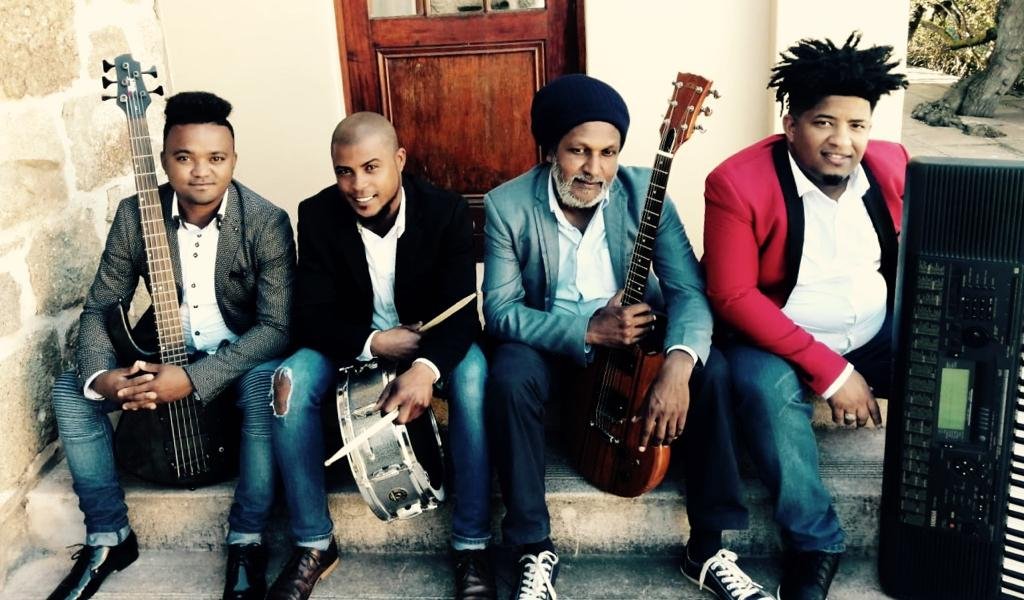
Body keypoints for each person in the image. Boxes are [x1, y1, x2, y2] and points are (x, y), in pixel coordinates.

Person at [482, 74, 771, 600]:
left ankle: (707, 548)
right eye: (578, 151)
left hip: (634, 341)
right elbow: (500, 312)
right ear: (549, 150)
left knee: (713, 371)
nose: (594, 169)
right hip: (556, 342)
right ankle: (532, 547)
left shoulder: (643, 194)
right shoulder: (508, 205)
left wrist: (679, 365)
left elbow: (687, 291)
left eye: (608, 152)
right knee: (508, 375)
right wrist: (587, 329)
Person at [47, 92, 295, 600]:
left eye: (216, 157)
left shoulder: (265, 221)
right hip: (159, 352)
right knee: (69, 393)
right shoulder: (135, 214)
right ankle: (109, 535)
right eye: (185, 157)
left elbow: (275, 328)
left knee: (262, 387)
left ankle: (246, 538)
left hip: (233, 361)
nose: (201, 171)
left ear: (234, 160)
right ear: (164, 160)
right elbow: (101, 306)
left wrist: (194, 378)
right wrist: (103, 378)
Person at [702, 33, 909, 600]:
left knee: (963, 374)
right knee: (761, 388)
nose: (843, 141)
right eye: (824, 123)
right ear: (791, 124)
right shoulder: (736, 183)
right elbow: (732, 296)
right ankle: (816, 543)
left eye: (858, 125)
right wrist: (834, 374)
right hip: (775, 339)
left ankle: (946, 517)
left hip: (876, 332)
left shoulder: (892, 165)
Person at [265, 112, 492, 600]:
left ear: (399, 160)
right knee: (288, 381)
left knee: (473, 376)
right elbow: (311, 315)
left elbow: (461, 313)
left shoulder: (446, 210)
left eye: (371, 168)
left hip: (431, 346)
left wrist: (425, 369)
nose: (358, 185)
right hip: (352, 342)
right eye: (344, 171)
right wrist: (375, 343)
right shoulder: (317, 213)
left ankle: (472, 544)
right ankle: (313, 543)